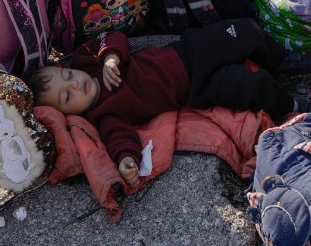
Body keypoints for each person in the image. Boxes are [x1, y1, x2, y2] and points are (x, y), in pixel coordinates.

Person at [27, 22, 296, 187]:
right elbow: (119, 137)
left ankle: (284, 60)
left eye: (67, 76)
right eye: (67, 96)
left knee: (244, 31)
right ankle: (292, 104)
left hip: (189, 50)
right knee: (246, 86)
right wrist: (126, 160)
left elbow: (111, 37)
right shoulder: (104, 112)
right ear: (70, 114)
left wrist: (109, 57)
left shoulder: (91, 62)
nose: (74, 84)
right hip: (195, 87)